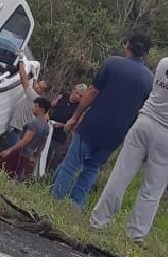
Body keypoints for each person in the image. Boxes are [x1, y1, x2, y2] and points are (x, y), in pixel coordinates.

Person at [89, 38, 168, 245]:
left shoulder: (165, 63)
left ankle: (98, 221)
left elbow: (159, 89)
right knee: (153, 187)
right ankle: (135, 235)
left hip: (144, 121)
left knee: (121, 173)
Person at [52, 32, 154, 210]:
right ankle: (76, 206)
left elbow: (92, 92)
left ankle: (55, 200)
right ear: (146, 53)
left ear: (127, 45)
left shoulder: (112, 63)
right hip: (117, 134)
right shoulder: (149, 80)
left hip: (93, 125)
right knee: (92, 168)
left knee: (71, 163)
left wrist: (75, 116)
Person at [0, 97, 52, 182]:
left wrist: (9, 150)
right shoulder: (46, 126)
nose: (33, 108)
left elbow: (25, 140)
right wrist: (35, 156)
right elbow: (42, 144)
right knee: (16, 176)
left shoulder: (34, 124)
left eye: (35, 106)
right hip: (28, 155)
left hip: (19, 152)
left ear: (42, 110)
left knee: (5, 172)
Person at [3, 55, 50, 149]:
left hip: (17, 130)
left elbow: (24, 78)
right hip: (20, 131)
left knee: (7, 151)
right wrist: (35, 78)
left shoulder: (33, 96)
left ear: (43, 92)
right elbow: (34, 82)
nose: (36, 87)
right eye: (38, 84)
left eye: (40, 88)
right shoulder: (40, 100)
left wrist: (20, 61)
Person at [45, 83, 88, 174]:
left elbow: (74, 125)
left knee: (52, 157)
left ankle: (47, 176)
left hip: (59, 135)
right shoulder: (63, 96)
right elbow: (51, 105)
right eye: (77, 93)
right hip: (48, 126)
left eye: (81, 96)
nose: (78, 96)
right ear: (73, 90)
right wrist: (47, 114)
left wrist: (61, 125)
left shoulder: (78, 108)